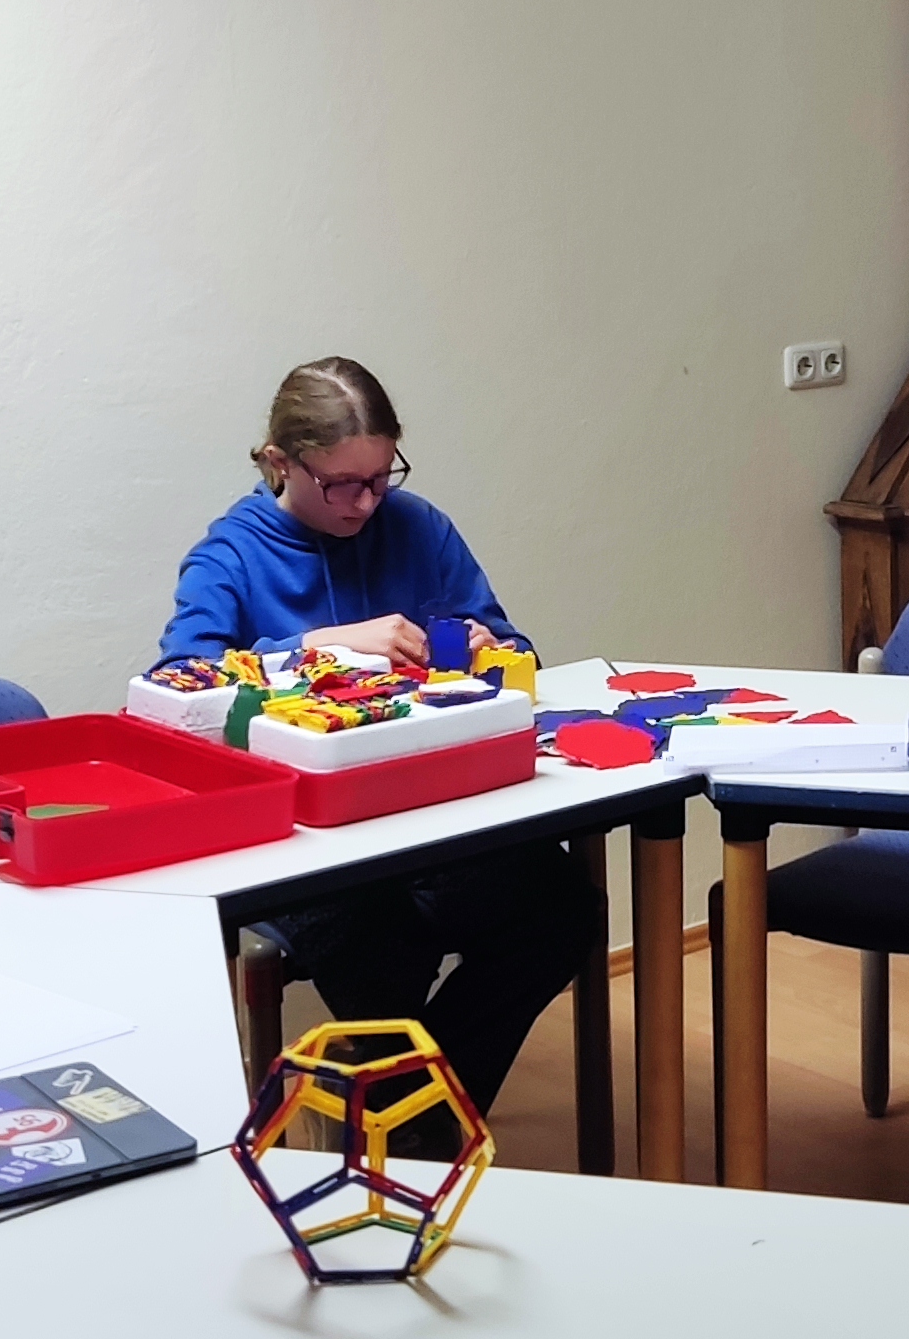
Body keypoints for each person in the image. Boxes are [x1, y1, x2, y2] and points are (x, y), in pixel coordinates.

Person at [156, 357, 596, 1117]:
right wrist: (323, 648)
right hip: (312, 847)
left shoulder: (417, 525)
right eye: (340, 484)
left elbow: (512, 643)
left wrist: (485, 645)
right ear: (279, 463)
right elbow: (178, 685)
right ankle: (419, 1117)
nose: (365, 502)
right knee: (383, 950)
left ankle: (416, 1116)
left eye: (380, 477)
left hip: (435, 817)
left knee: (562, 913)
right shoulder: (232, 554)